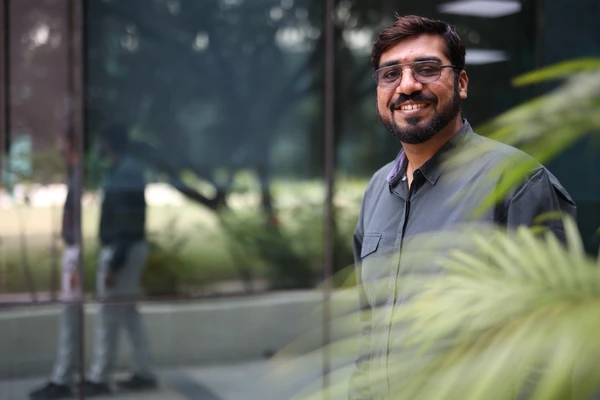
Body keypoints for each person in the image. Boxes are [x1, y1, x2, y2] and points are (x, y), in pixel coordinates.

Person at [350, 15, 576, 399]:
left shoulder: (517, 183)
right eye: (390, 74)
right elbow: (371, 333)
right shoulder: (377, 190)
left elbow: (549, 348)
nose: (407, 85)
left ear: (462, 83)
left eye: (426, 68)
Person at [81, 121, 157, 396]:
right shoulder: (125, 170)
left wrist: (114, 263)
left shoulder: (125, 173)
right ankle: (144, 371)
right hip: (129, 248)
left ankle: (100, 377)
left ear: (108, 143)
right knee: (128, 314)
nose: (98, 147)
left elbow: (127, 221)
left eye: (101, 141)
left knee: (108, 315)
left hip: (122, 250)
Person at [30, 129, 84, 400]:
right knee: (69, 315)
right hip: (73, 249)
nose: (57, 146)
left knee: (69, 315)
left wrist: (75, 263)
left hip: (76, 251)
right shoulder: (75, 172)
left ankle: (63, 378)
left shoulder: (79, 174)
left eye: (61, 140)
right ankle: (63, 375)